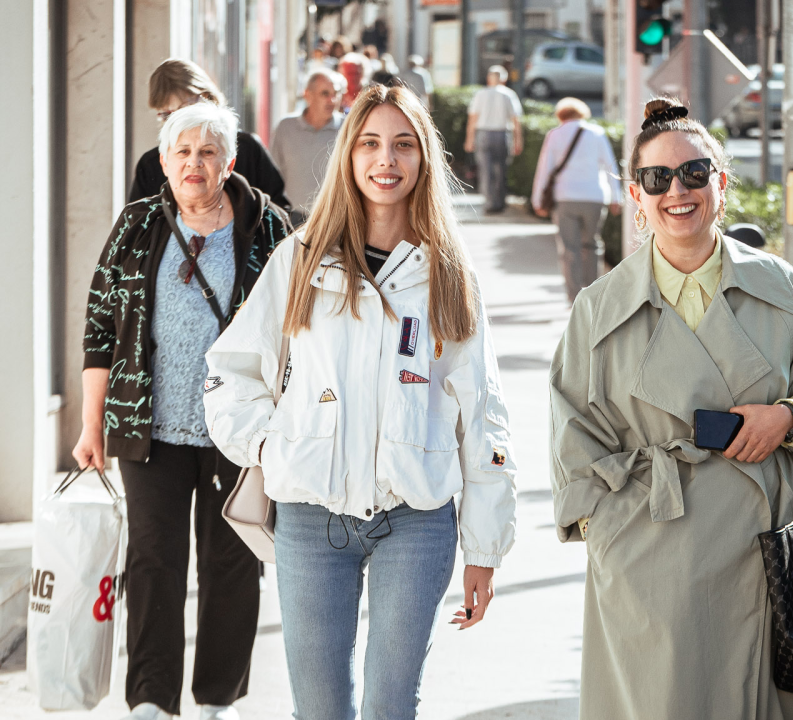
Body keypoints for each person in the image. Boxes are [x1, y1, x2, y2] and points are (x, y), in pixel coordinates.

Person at [203, 84, 518, 719]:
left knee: (390, 705)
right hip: (310, 517)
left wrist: (483, 549)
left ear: (424, 159)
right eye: (371, 143)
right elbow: (231, 372)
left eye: (404, 145)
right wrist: (272, 445)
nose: (386, 160)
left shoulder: (449, 274)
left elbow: (482, 415)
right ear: (348, 156)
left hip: (416, 518)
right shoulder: (300, 259)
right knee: (319, 710)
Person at [549, 97, 793, 720]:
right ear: (636, 194)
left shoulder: (780, 286)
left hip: (770, 559)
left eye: (693, 173)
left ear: (720, 183)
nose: (676, 191)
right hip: (652, 559)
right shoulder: (600, 308)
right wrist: (613, 537)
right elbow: (572, 441)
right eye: (657, 179)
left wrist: (788, 418)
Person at [75, 101, 293, 720]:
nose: (193, 163)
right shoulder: (138, 224)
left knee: (230, 565)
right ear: (164, 161)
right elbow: (99, 325)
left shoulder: (267, 227)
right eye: (182, 152)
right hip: (149, 429)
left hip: (239, 432)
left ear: (228, 162)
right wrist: (92, 425)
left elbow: (300, 327)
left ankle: (216, 699)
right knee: (152, 563)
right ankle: (150, 699)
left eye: (207, 152)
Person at [128, 59, 290, 211]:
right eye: (167, 115)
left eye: (183, 110)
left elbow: (280, 215)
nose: (178, 122)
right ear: (164, 164)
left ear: (206, 97)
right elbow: (136, 229)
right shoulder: (150, 165)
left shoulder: (248, 149)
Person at [530, 97, 622, 302]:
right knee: (592, 245)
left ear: (561, 115)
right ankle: (594, 295)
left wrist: (537, 200)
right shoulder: (597, 133)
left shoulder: (554, 135)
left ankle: (574, 297)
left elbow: (544, 170)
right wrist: (617, 196)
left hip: (565, 198)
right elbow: (610, 166)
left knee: (569, 248)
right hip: (594, 198)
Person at [271, 68, 345, 225]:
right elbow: (273, 174)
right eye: (325, 93)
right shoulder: (286, 127)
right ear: (307, 95)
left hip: (334, 218)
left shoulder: (348, 128)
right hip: (292, 218)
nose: (332, 100)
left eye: (336, 93)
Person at [464, 66, 523, 213]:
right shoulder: (509, 94)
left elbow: (472, 118)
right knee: (501, 169)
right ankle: (499, 202)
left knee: (485, 170)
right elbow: (516, 120)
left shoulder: (480, 94)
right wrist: (518, 140)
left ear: (489, 78)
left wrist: (469, 139)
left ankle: (489, 202)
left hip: (483, 134)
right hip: (502, 134)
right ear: (504, 79)